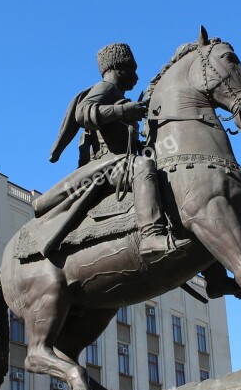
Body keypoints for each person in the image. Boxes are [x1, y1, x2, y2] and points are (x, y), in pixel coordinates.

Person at [33, 43, 190, 261]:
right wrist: (123, 110)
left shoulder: (118, 96)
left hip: (122, 160)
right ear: (117, 68)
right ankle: (151, 236)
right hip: (108, 166)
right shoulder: (106, 89)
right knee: (142, 166)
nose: (136, 77)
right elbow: (82, 113)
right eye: (131, 70)